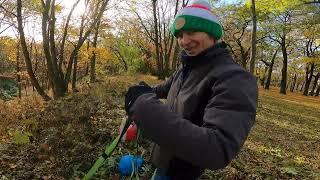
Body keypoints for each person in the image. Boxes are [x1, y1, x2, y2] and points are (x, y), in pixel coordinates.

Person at [124, 0, 258, 179]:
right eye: (179, 35)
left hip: (181, 172)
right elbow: (167, 87)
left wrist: (142, 107)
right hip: (163, 159)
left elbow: (217, 149)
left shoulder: (234, 78)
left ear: (212, 34)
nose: (184, 42)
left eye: (192, 32)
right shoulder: (188, 67)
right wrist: (145, 91)